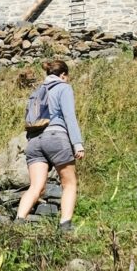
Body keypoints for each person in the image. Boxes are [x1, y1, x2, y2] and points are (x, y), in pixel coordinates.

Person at [16, 60, 85, 233]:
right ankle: (65, 226)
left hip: (34, 142)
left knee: (36, 187)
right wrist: (78, 144)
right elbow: (69, 116)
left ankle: (18, 223)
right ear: (63, 75)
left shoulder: (37, 91)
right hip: (56, 138)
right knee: (69, 184)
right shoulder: (63, 87)